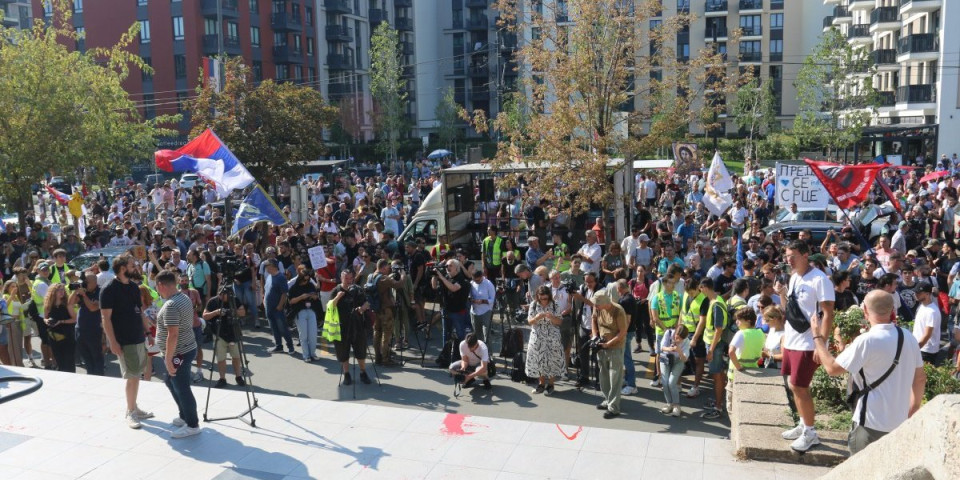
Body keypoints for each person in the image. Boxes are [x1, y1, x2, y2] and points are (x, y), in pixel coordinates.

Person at [809, 290, 925, 455]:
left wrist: (817, 338)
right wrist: (913, 408)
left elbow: (832, 369)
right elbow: (920, 379)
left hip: (870, 422)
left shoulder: (867, 340)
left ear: (865, 311)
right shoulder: (908, 337)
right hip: (899, 422)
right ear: (893, 310)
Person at [774, 240, 836, 453]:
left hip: (809, 343)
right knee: (794, 385)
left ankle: (811, 433)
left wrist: (823, 345)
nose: (788, 260)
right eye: (786, 256)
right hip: (792, 339)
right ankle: (803, 423)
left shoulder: (819, 279)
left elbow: (828, 313)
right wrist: (782, 294)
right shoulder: (793, 278)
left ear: (805, 255)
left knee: (800, 386)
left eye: (792, 256)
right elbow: (790, 310)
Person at [100, 255, 154, 429]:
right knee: (132, 377)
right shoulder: (109, 289)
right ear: (123, 268)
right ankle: (130, 412)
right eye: (132, 265)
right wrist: (112, 342)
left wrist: (148, 332)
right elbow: (105, 319)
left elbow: (139, 311)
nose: (135, 267)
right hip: (124, 340)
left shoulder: (133, 287)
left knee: (136, 374)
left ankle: (134, 407)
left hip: (138, 337)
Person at [154, 270, 202, 438]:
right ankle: (184, 415)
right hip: (185, 348)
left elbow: (172, 334)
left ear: (161, 285)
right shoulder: (183, 297)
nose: (156, 290)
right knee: (170, 381)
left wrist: (168, 359)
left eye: (156, 286)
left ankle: (192, 424)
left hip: (179, 352)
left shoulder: (171, 305)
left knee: (182, 388)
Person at [329, 270, 371, 385]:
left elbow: (367, 303)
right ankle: (346, 374)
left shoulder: (357, 289)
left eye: (350, 278)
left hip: (357, 326)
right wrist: (337, 297)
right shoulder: (336, 290)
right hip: (341, 327)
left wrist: (362, 309)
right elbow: (329, 306)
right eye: (346, 278)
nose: (349, 281)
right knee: (343, 352)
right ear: (341, 278)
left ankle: (363, 372)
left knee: (360, 351)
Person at [591, 290, 628, 419]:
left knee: (615, 377)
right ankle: (607, 399)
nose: (595, 307)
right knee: (603, 375)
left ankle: (614, 407)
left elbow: (623, 331)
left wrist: (610, 343)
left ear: (605, 303)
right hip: (601, 346)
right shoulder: (598, 308)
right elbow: (594, 321)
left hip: (615, 347)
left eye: (597, 305)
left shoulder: (618, 311)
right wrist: (595, 336)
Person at [202, 288, 248, 387]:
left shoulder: (234, 300)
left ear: (229, 294)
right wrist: (216, 312)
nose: (221, 296)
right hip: (219, 333)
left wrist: (231, 311)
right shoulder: (213, 301)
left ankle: (238, 376)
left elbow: (243, 312)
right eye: (220, 294)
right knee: (221, 358)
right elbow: (205, 315)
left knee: (236, 356)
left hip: (233, 333)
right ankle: (222, 378)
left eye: (223, 294)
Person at [526, 285, 564, 395]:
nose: (544, 301)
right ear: (538, 296)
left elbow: (560, 322)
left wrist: (552, 317)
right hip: (537, 336)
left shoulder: (555, 305)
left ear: (549, 297)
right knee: (539, 359)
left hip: (552, 336)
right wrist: (537, 317)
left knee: (552, 359)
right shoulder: (533, 305)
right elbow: (529, 321)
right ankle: (541, 384)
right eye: (541, 298)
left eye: (546, 298)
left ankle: (551, 384)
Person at [698, 277, 728, 419]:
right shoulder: (716, 300)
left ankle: (718, 406)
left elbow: (718, 329)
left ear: (705, 287)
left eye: (701, 288)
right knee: (719, 374)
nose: (700, 290)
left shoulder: (716, 304)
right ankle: (718, 401)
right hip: (713, 344)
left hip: (714, 345)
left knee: (717, 376)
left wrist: (710, 350)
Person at [727, 308, 766, 411]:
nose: (736, 322)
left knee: (732, 407)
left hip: (736, 373)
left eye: (739, 319)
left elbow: (731, 352)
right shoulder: (760, 333)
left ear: (748, 321)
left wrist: (738, 367)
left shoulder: (741, 333)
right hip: (754, 371)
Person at [649, 269, 681, 387]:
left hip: (674, 331)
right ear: (664, 283)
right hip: (662, 331)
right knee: (660, 353)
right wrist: (666, 329)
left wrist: (676, 326)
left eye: (673, 283)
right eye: (670, 283)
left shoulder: (678, 296)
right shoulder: (657, 298)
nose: (672, 285)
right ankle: (661, 377)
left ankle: (675, 380)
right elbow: (655, 317)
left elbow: (680, 313)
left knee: (675, 354)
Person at [432, 259, 472, 346]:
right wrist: (434, 276)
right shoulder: (446, 277)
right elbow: (434, 287)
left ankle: (462, 353)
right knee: (446, 333)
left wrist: (441, 277)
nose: (448, 267)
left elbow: (453, 288)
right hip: (446, 309)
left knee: (460, 333)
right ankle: (445, 353)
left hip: (457, 311)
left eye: (450, 266)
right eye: (447, 265)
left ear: (457, 268)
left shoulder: (461, 278)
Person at [681, 275, 708, 398]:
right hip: (685, 332)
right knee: (688, 358)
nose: (690, 295)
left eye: (692, 293)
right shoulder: (686, 294)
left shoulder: (704, 300)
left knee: (699, 360)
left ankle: (696, 386)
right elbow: (683, 313)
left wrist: (695, 339)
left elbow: (702, 322)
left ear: (698, 288)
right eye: (689, 293)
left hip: (697, 334)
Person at [72, 272, 103, 375]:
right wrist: (76, 291)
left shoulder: (101, 292)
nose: (84, 284)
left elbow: (93, 308)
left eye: (86, 282)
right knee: (87, 360)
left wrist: (84, 295)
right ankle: (91, 378)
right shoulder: (83, 290)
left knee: (96, 358)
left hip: (93, 330)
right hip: (80, 330)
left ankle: (100, 379)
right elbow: (70, 303)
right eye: (83, 282)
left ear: (94, 282)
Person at [287, 265, 320, 362]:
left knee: (313, 335)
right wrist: (301, 297)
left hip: (311, 310)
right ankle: (306, 355)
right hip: (299, 311)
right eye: (305, 279)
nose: (307, 281)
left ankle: (312, 353)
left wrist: (314, 296)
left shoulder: (310, 285)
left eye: (308, 279)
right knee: (303, 335)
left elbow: (316, 296)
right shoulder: (294, 287)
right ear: (301, 278)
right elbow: (291, 301)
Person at [262, 258, 294, 353]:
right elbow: (266, 290)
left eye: (267, 266)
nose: (266, 268)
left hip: (277, 309)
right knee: (274, 327)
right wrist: (264, 301)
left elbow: (284, 293)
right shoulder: (269, 276)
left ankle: (290, 347)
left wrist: (280, 306)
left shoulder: (281, 277)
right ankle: (278, 346)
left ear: (273, 266)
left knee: (282, 328)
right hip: (269, 308)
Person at [42, 283, 76, 373]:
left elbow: (74, 319)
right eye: (59, 290)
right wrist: (46, 321)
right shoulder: (48, 304)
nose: (62, 292)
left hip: (67, 337)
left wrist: (60, 321)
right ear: (53, 292)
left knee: (69, 362)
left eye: (63, 290)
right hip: (54, 337)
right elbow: (45, 317)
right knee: (60, 362)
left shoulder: (67, 303)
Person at [658, 324, 690, 417]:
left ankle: (676, 405)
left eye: (681, 338)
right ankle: (669, 404)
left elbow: (685, 359)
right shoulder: (668, 333)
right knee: (665, 382)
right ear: (675, 332)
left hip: (678, 361)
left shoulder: (686, 341)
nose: (678, 339)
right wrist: (670, 349)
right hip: (666, 359)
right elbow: (661, 347)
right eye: (677, 336)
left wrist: (679, 351)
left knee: (671, 382)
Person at [912, 282, 941, 364]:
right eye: (915, 292)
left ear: (928, 294)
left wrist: (916, 348)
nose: (916, 294)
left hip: (926, 350)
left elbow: (927, 334)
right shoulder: (922, 306)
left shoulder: (932, 311)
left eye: (919, 293)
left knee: (924, 376)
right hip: (921, 348)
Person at [469, 270, 496, 343]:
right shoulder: (471, 283)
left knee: (486, 333)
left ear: (481, 277)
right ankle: (478, 351)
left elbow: (492, 299)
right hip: (474, 311)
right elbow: (468, 296)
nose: (476, 282)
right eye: (474, 280)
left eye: (477, 280)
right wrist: (471, 299)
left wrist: (482, 301)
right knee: (476, 334)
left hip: (486, 311)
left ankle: (488, 352)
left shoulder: (488, 284)